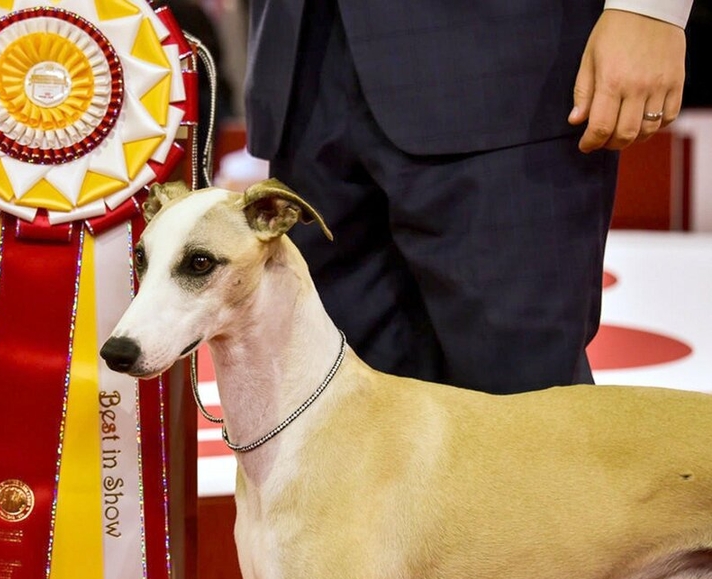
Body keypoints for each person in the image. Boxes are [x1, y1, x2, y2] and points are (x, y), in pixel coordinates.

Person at [244, 1, 690, 395]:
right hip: (300, 60)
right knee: (337, 432)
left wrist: (650, 9)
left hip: (504, 68)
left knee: (525, 417)